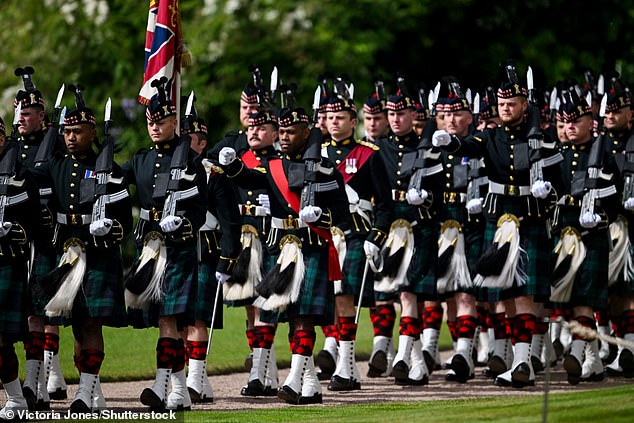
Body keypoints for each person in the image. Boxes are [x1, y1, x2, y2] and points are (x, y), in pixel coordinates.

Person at [432, 61, 559, 388]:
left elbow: (561, 179)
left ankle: (522, 362)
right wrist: (451, 142)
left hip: (529, 215)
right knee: (509, 294)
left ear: (523, 105)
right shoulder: (491, 137)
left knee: (525, 294)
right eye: (501, 104)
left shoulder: (542, 137)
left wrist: (550, 190)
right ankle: (520, 362)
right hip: (501, 216)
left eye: (511, 104)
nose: (505, 109)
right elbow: (470, 145)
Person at [218, 104, 350, 405]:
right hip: (281, 249)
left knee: (302, 318)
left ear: (307, 132)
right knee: (281, 316)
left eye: (292, 132)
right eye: (284, 132)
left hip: (312, 246)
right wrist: (233, 166)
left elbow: (341, 212)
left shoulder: (325, 168)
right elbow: (250, 179)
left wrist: (323, 217)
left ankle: (293, 380)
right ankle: (311, 386)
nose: (286, 137)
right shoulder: (273, 165)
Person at [30, 85, 132, 412]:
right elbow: (31, 185)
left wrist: (111, 228)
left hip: (98, 253)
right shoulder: (54, 166)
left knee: (91, 323)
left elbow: (125, 222)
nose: (71, 137)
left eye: (78, 131)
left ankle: (85, 393)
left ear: (92, 132)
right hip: (67, 253)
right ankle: (90, 388)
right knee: (75, 323)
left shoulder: (110, 170)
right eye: (67, 131)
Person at [122, 78, 207, 411]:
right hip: (151, 249)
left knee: (172, 319)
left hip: (179, 248)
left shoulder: (191, 162)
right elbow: (111, 181)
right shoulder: (140, 161)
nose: (154, 127)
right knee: (163, 321)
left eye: (160, 121)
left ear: (175, 122)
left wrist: (183, 223)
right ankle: (175, 389)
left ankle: (169, 387)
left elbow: (199, 210)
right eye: (150, 122)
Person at [321, 84, 393, 391]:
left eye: (341, 117)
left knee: (344, 299)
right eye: (330, 117)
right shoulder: (317, 154)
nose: (335, 122)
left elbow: (385, 205)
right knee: (330, 302)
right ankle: (338, 360)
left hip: (354, 234)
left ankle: (347, 367)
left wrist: (375, 238)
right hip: (324, 235)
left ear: (354, 121)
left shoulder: (368, 154)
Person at [374, 83, 443, 386]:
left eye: (401, 113)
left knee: (408, 292)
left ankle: (403, 356)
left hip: (420, 227)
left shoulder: (428, 148)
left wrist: (425, 198)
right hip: (392, 229)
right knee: (401, 294)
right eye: (391, 113)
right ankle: (415, 362)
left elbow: (441, 193)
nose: (395, 119)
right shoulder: (380, 149)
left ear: (412, 114)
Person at [549, 87, 617, 384]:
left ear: (590, 121)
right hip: (564, 234)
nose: (569, 127)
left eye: (575, 121)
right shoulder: (557, 155)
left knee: (583, 301)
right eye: (564, 122)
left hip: (592, 235)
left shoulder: (604, 155)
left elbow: (615, 201)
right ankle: (593, 361)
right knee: (568, 301)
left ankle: (577, 353)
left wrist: (600, 216)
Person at [12, 68, 68, 411]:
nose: (21, 119)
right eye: (18, 113)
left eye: (27, 113)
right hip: (18, 239)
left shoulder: (60, 143)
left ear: (41, 116)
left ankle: (43, 379)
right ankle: (37, 383)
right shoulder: (13, 148)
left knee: (45, 311)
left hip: (48, 237)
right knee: (30, 314)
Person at [180, 108, 241, 403]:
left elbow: (230, 221)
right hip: (176, 249)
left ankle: (194, 380)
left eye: (187, 137)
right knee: (175, 318)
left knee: (197, 318)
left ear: (202, 143)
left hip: (205, 250)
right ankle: (193, 380)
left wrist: (227, 259)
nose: (181, 141)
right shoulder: (167, 169)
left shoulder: (214, 174)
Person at [430, 77, 485, 383]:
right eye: (446, 114)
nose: (451, 119)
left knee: (466, 294)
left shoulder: (479, 144)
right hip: (442, 227)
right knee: (449, 296)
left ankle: (464, 352)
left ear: (469, 117)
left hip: (471, 225)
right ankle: (461, 350)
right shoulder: (433, 149)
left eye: (457, 114)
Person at [208, 81, 264, 371]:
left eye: (254, 108)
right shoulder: (230, 144)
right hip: (242, 228)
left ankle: (264, 356)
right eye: (245, 107)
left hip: (271, 228)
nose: (249, 113)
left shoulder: (273, 144)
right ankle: (256, 354)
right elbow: (205, 171)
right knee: (248, 300)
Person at [233, 109, 282, 397]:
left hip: (273, 238)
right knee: (251, 308)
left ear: (275, 134)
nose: (253, 132)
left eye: (261, 128)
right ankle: (266, 371)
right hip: (247, 239)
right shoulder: (241, 162)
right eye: (251, 127)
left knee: (268, 305)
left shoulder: (280, 162)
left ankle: (259, 373)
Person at [0, 116, 42, 419]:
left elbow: (34, 225)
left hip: (6, 262)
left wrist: (12, 230)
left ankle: (16, 398)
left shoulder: (22, 176)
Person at [604, 75, 634, 378]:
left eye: (617, 110)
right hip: (610, 225)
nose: (611, 115)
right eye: (607, 111)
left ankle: (629, 347)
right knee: (615, 291)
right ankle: (623, 347)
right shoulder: (599, 144)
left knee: (630, 290)